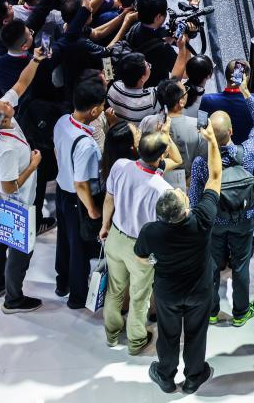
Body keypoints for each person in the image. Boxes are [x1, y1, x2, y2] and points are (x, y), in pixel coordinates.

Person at [135, 122, 222, 395]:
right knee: (196, 334)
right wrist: (212, 141)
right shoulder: (202, 219)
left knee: (168, 333)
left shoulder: (151, 231)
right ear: (185, 208)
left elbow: (141, 257)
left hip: (168, 293)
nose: (182, 192)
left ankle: (165, 375)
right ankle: (194, 376)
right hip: (199, 291)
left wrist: (154, 262)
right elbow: (215, 176)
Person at [189, 75, 254, 327]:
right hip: (244, 219)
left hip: (214, 221)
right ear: (231, 131)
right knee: (241, 265)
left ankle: (212, 311)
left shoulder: (201, 164)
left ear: (208, 134)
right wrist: (246, 92)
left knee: (211, 265)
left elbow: (195, 199)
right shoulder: (248, 153)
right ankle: (241, 312)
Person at [0, 47, 46, 313]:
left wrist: (36, 60)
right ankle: (13, 299)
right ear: (4, 120)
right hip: (16, 201)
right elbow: (10, 186)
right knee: (20, 249)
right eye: (5, 105)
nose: (8, 101)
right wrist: (33, 165)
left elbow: (21, 83)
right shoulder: (6, 150)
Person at [99, 131, 175, 353]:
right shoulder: (163, 189)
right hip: (141, 249)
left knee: (115, 289)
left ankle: (111, 334)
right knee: (139, 296)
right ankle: (136, 341)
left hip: (115, 236)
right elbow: (163, 229)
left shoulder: (120, 166)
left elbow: (109, 200)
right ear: (161, 156)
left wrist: (104, 226)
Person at [52, 77, 107, 310]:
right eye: (102, 106)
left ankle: (62, 282)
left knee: (64, 240)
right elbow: (82, 183)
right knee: (79, 249)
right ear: (93, 110)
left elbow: (57, 152)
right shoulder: (86, 144)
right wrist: (92, 210)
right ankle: (77, 296)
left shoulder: (63, 121)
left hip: (62, 191)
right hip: (79, 200)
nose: (103, 109)